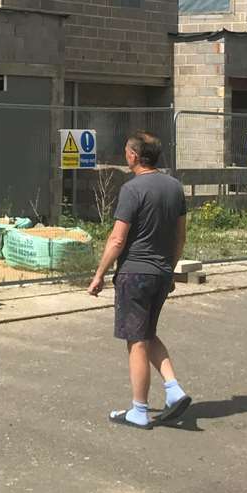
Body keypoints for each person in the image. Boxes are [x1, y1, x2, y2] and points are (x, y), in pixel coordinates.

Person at [87, 131, 191, 429]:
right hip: (160, 272)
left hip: (135, 273)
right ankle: (174, 390)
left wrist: (99, 274)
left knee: (136, 341)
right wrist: (169, 269)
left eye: (126, 152)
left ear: (133, 156)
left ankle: (139, 410)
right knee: (146, 332)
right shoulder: (175, 188)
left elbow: (118, 239)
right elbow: (180, 237)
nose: (125, 156)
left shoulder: (132, 190)